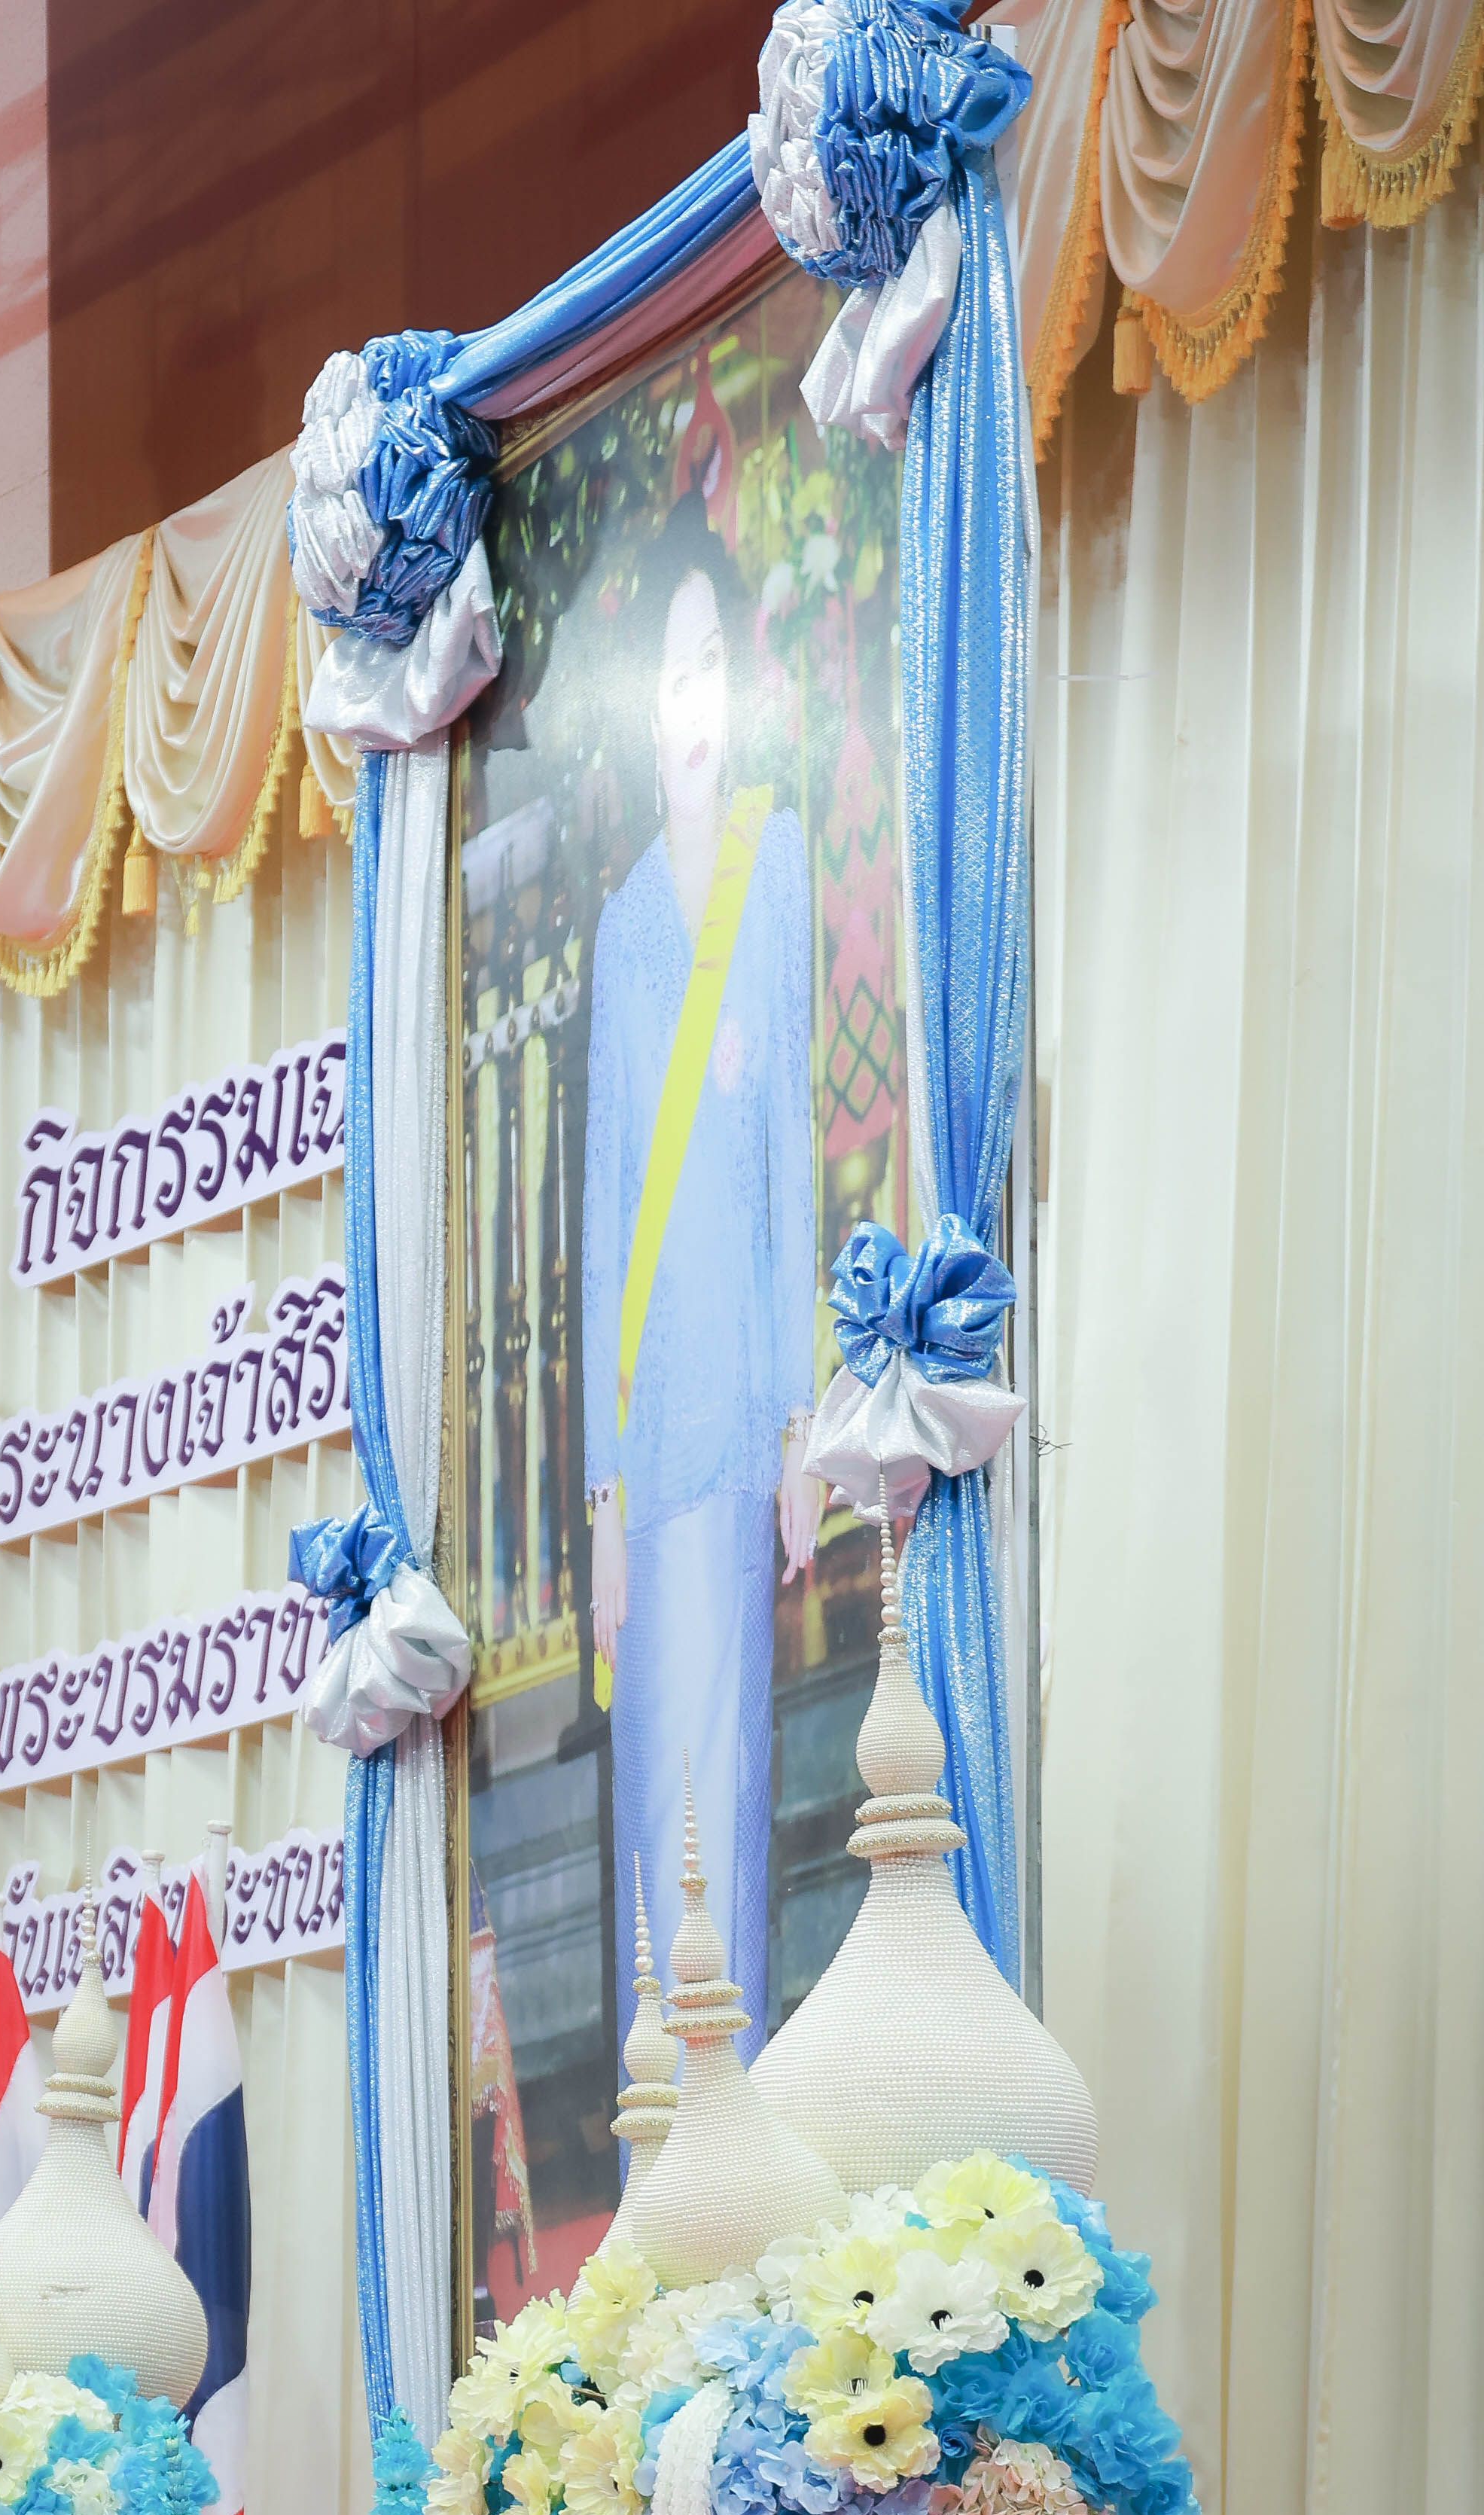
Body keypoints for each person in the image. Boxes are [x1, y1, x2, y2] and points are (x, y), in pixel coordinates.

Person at [575, 494, 817, 2041]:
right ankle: (658, 2136)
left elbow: (790, 1146)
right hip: (646, 1450)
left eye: (712, 659)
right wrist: (600, 1504)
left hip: (735, 1422)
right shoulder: (616, 931)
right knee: (646, 1818)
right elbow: (604, 1213)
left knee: (723, 1800)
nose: (694, 697)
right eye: (671, 670)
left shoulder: (771, 860)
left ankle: (733, 2119)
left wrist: (798, 1427)